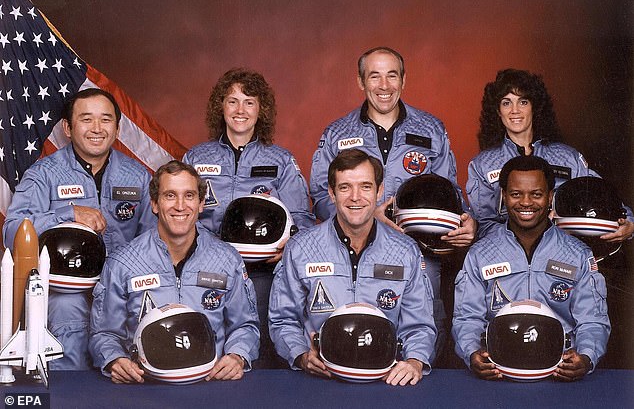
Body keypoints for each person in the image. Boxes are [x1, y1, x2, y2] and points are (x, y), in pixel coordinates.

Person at [309, 47, 476, 359]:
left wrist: (465, 222)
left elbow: (450, 192)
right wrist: (368, 217)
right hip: (352, 250)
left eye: (392, 75)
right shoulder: (336, 133)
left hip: (419, 252)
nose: (384, 85)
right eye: (374, 76)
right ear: (361, 82)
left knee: (421, 336)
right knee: (357, 335)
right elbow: (320, 196)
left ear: (404, 80)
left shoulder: (432, 129)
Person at [2, 88, 156, 370]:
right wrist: (67, 213)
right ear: (68, 128)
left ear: (117, 128)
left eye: (106, 119)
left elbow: (153, 241)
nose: (97, 128)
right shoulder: (44, 174)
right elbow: (13, 232)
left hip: (121, 291)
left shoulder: (137, 176)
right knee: (66, 311)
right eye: (86, 119)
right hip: (66, 292)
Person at [270, 149, 436, 386]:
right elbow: (283, 319)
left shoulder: (405, 251)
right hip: (321, 380)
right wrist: (301, 355)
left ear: (379, 191)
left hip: (387, 380)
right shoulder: (301, 249)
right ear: (331, 193)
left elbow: (419, 325)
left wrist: (415, 361)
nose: (355, 197)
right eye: (345, 187)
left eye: (366, 187)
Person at [183, 68, 314, 368]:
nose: (240, 110)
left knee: (266, 348)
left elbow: (302, 220)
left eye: (249, 102)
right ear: (221, 106)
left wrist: (287, 248)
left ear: (261, 110)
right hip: (208, 271)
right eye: (232, 101)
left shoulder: (280, 160)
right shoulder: (195, 158)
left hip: (263, 275)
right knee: (209, 349)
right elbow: (178, 214)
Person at [89, 160, 259, 383]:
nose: (180, 206)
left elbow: (245, 325)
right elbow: (104, 333)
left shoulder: (227, 260)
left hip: (211, 383)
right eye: (170, 195)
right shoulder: (123, 262)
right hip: (146, 386)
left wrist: (238, 355)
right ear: (154, 204)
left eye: (189, 196)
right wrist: (114, 359)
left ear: (200, 204)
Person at [452, 155, 610, 381]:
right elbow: (467, 317)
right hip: (499, 370)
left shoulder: (578, 254)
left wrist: (586, 356)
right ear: (504, 196)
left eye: (536, 194)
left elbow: (593, 320)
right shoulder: (480, 254)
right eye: (516, 194)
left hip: (559, 370)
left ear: (550, 197)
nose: (526, 202)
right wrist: (471, 353)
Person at [467, 68, 634, 239]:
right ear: (497, 111)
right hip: (509, 257)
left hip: (563, 253)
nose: (514, 110)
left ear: (534, 107)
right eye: (506, 102)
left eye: (523, 102)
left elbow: (601, 196)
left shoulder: (567, 158)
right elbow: (483, 226)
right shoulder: (483, 164)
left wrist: (628, 223)